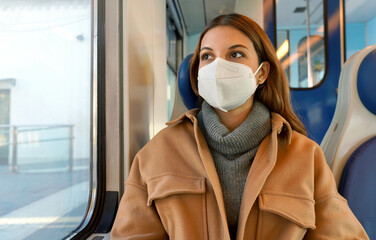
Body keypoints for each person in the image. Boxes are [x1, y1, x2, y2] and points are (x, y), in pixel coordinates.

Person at [111, 13, 369, 239]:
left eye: (235, 54)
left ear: (261, 73)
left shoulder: (305, 157)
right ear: (198, 71)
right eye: (207, 56)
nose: (218, 66)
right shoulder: (156, 153)